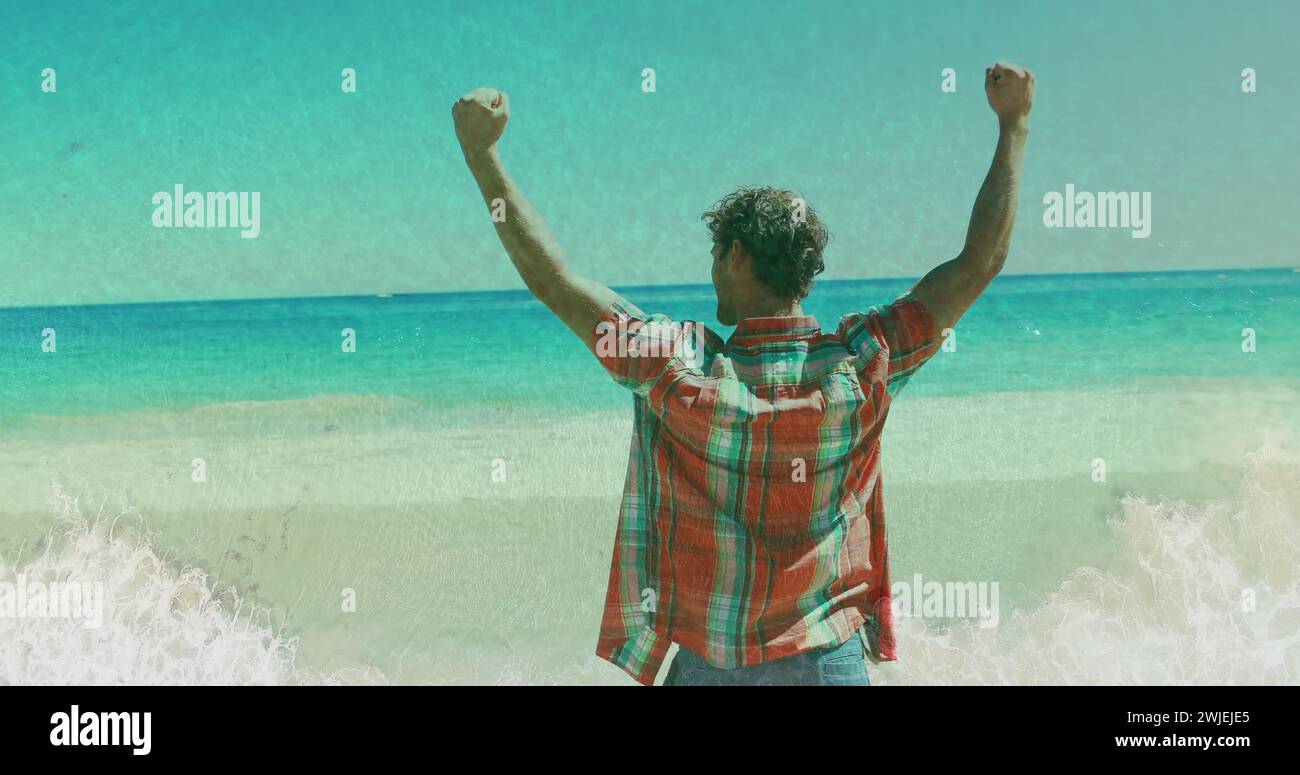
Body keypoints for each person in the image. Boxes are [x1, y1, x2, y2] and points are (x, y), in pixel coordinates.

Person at [452, 61, 1034, 685]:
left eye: (715, 255)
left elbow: (554, 279)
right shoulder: (864, 364)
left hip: (711, 666)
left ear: (734, 255)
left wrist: (482, 157)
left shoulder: (677, 367)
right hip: (826, 664)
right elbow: (980, 262)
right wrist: (1014, 124)